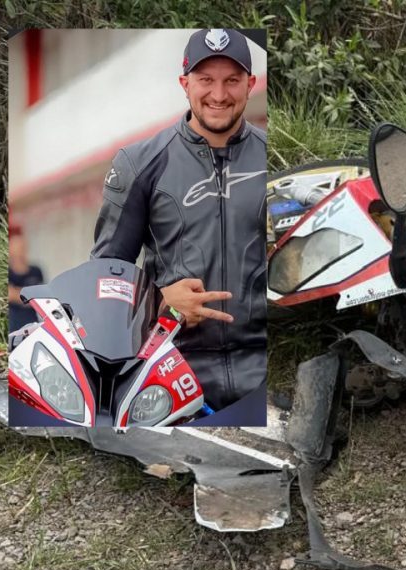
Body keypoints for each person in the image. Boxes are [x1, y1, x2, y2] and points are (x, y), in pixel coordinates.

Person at [91, 29, 267, 414]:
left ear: (250, 84)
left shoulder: (275, 156)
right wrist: (156, 301)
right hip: (173, 367)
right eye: (206, 80)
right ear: (184, 83)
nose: (219, 96)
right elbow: (104, 279)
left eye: (232, 81)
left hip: (266, 366)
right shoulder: (139, 163)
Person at [7, 224, 44, 333]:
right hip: (13, 328)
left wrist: (16, 293)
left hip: (32, 326)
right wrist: (28, 296)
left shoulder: (36, 271)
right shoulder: (8, 273)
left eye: (22, 246)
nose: (20, 250)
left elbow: (39, 297)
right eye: (17, 246)